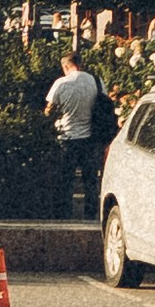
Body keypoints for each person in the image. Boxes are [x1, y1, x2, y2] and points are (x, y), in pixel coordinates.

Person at [44, 49, 114, 218]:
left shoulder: (61, 84)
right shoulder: (96, 82)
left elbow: (49, 111)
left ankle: (64, 214)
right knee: (90, 179)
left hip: (66, 137)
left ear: (65, 66)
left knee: (65, 179)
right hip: (90, 138)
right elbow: (103, 104)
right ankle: (91, 214)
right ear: (80, 64)